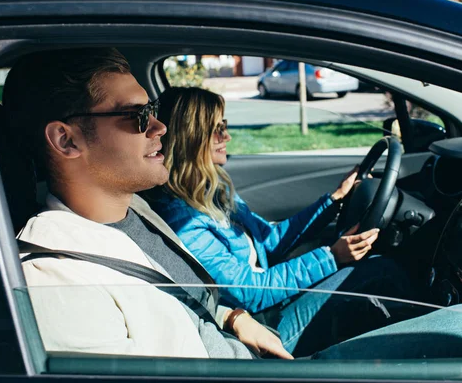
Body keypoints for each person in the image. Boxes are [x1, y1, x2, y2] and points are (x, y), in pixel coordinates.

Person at [3, 47, 462, 362]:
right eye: (137, 117)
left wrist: (233, 319)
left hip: (253, 344)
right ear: (66, 141)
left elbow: (205, 293)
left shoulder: (135, 212)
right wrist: (328, 259)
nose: (159, 128)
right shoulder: (58, 278)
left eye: (153, 112)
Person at [146, 87, 416, 355]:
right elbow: (250, 292)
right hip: (263, 327)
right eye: (217, 129)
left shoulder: (213, 190)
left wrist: (332, 201)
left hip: (272, 303)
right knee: (380, 271)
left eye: (224, 126)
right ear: (191, 138)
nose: (226, 135)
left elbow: (269, 240)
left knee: (373, 272)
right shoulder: (181, 218)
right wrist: (332, 257)